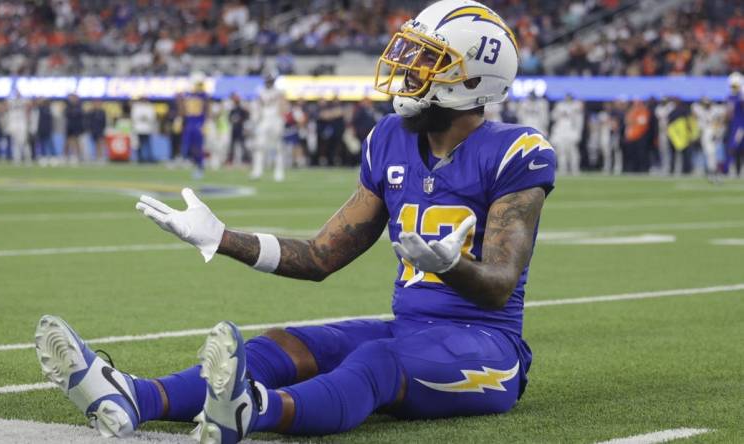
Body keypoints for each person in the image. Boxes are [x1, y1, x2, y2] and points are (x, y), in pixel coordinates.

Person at [34, 2, 555, 444]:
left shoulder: (516, 152)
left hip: (488, 351)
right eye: (412, 54)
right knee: (283, 346)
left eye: (427, 61)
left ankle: (251, 412)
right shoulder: (390, 139)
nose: (408, 70)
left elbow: (497, 286)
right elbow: (321, 257)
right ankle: (137, 396)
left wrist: (455, 266)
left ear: (470, 80)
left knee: (374, 363)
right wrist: (222, 238)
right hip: (410, 330)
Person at [250, 73, 287, 181]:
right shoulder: (260, 91)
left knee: (277, 147)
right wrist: (256, 119)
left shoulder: (279, 91)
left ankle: (279, 172)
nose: (269, 82)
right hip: (264, 120)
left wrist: (281, 120)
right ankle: (257, 171)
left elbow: (283, 106)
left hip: (275, 120)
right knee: (259, 146)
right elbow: (257, 106)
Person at [180, 73, 210, 179]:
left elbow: (206, 108)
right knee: (188, 146)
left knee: (198, 147)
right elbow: (183, 111)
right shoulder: (187, 95)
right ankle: (194, 163)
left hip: (198, 123)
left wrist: (205, 123)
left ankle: (200, 166)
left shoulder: (203, 96)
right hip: (190, 122)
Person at [691, 97, 726, 179]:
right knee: (709, 154)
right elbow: (694, 108)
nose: (706, 105)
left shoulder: (715, 110)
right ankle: (712, 172)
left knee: (716, 155)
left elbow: (723, 114)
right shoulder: (701, 111)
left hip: (714, 133)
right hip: (706, 134)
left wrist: (718, 129)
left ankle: (716, 172)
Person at [550, 93, 584, 174]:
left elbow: (579, 121)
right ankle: (563, 169)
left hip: (571, 130)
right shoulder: (559, 105)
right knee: (561, 151)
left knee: (572, 151)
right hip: (561, 130)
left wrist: (578, 133)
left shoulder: (576, 106)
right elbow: (553, 117)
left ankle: (575, 169)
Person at [6, 88, 32, 165]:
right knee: (15, 142)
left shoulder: (24, 101)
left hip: (21, 123)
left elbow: (29, 106)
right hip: (14, 123)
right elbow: (5, 106)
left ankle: (28, 158)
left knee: (24, 142)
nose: (17, 94)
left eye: (18, 93)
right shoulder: (11, 101)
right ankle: (17, 159)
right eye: (16, 93)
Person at [725, 72, 744, 177]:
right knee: (734, 148)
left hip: (741, 125)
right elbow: (728, 114)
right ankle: (732, 170)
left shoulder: (741, 97)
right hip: (733, 126)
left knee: (737, 147)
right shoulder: (730, 96)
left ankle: (737, 170)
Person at [131, 96, 158, 163]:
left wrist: (145, 117)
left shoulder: (149, 107)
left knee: (147, 144)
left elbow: (152, 117)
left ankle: (149, 157)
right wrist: (142, 117)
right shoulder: (136, 107)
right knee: (139, 144)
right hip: (138, 128)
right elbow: (134, 117)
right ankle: (140, 158)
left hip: (147, 128)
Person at [64, 93, 84, 164]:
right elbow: (66, 114)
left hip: (77, 127)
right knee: (68, 142)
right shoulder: (68, 106)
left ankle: (77, 156)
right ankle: (66, 157)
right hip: (70, 127)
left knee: (76, 141)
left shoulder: (79, 106)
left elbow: (81, 116)